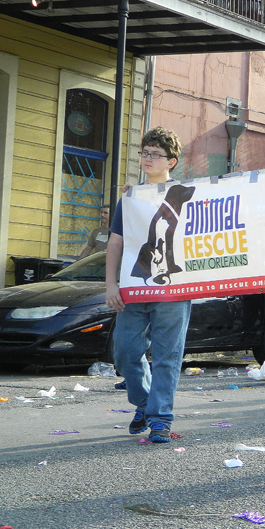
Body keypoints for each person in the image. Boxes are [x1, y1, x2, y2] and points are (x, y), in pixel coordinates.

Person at [105, 126, 192, 443]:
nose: (148, 158)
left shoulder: (187, 194)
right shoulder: (130, 198)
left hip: (173, 288)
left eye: (156, 154)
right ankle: (144, 404)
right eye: (144, 153)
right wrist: (111, 284)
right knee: (125, 353)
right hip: (134, 286)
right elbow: (115, 243)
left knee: (168, 356)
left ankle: (160, 420)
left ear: (171, 161)